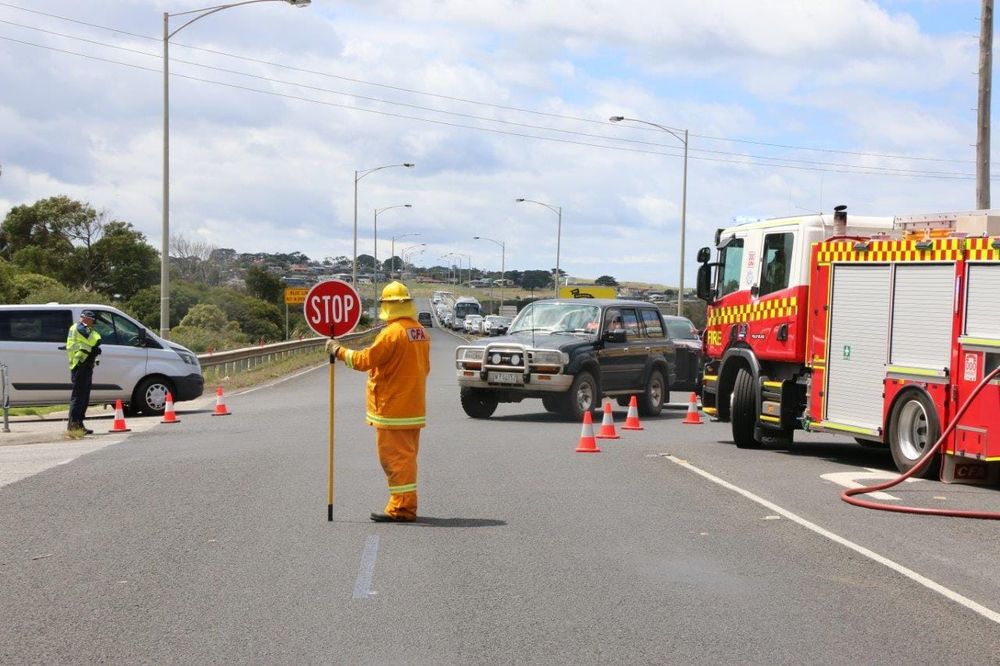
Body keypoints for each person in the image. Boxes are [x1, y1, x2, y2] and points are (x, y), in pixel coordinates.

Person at [326, 281, 430, 522]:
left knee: (395, 460)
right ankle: (404, 505)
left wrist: (338, 351)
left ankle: (401, 509)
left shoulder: (391, 333)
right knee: (406, 458)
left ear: (387, 307)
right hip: (413, 407)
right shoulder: (419, 331)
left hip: (393, 408)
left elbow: (365, 360)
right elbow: (425, 368)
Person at [66, 309, 102, 435]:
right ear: (86, 318)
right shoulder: (79, 328)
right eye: (92, 320)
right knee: (78, 397)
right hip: (79, 365)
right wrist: (94, 348)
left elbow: (95, 339)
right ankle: (73, 425)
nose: (92, 323)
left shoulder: (85, 328)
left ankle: (79, 423)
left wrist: (94, 350)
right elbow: (95, 340)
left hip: (86, 365)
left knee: (84, 397)